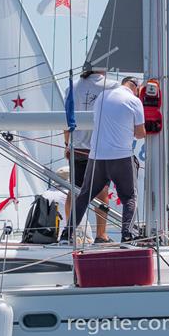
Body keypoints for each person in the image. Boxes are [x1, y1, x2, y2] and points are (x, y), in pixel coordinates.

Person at [70, 76, 145, 243]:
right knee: (129, 198)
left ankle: (65, 235)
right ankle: (127, 236)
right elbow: (140, 133)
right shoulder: (134, 101)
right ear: (135, 87)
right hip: (121, 157)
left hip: (97, 157)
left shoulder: (102, 97)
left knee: (83, 196)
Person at [60, 61, 119, 244]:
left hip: (77, 147)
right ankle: (101, 235)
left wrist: (66, 144)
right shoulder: (112, 86)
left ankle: (70, 233)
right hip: (100, 148)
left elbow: (66, 117)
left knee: (74, 191)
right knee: (102, 191)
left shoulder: (73, 87)